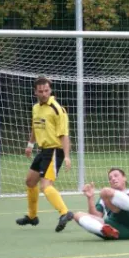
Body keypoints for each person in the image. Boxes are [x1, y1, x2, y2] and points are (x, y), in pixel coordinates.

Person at [15, 76, 74, 232]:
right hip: (43, 150)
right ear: (35, 92)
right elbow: (35, 127)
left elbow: (64, 135)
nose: (44, 94)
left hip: (55, 150)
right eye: (40, 91)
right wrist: (30, 145)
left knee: (46, 186)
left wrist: (67, 156)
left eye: (46, 90)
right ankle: (32, 216)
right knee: (29, 182)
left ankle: (65, 212)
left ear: (50, 90)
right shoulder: (35, 108)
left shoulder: (57, 109)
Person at [73, 168, 129, 240]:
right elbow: (96, 216)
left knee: (105, 192)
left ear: (124, 178)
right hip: (115, 230)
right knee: (77, 215)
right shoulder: (105, 198)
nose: (113, 179)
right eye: (110, 178)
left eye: (116, 175)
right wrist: (90, 198)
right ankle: (103, 230)